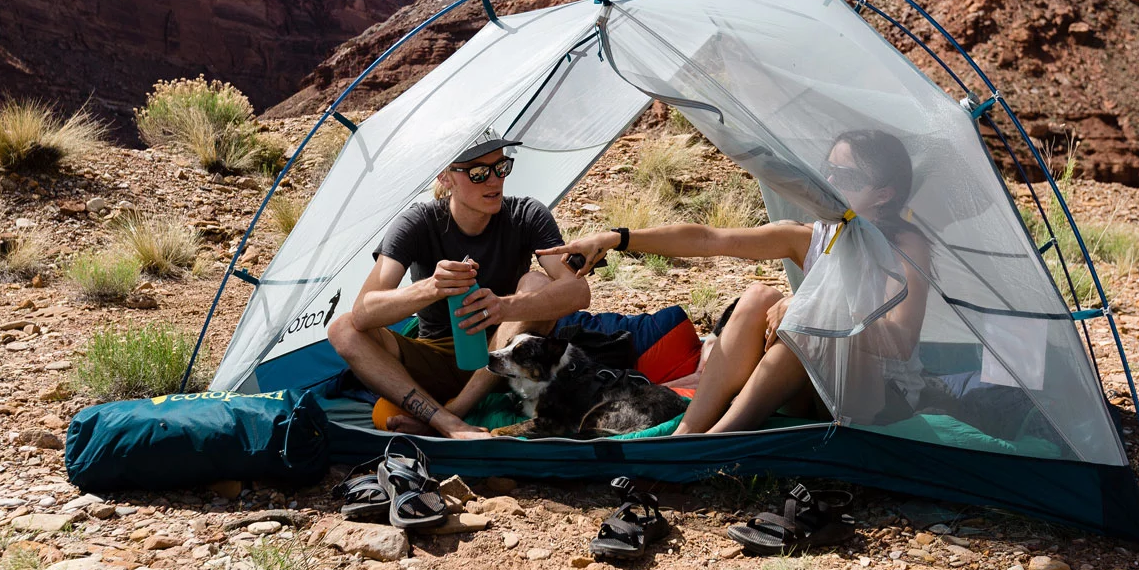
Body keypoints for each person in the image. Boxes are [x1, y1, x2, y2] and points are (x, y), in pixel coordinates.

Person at [539, 130, 930, 434]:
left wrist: (817, 312)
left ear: (884, 194)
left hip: (879, 398)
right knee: (762, 294)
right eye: (826, 168)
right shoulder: (819, 235)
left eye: (844, 174)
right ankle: (690, 433)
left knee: (804, 326)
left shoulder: (905, 245)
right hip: (816, 388)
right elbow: (710, 239)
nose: (827, 179)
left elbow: (900, 342)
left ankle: (719, 440)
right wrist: (618, 238)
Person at [327, 129, 591, 439]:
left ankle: (455, 413)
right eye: (478, 173)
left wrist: (504, 307)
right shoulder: (416, 224)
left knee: (535, 281)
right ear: (445, 177)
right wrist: (431, 287)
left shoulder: (527, 215)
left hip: (505, 353)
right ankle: (445, 422)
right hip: (436, 355)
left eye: (501, 167)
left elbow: (578, 292)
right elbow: (363, 312)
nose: (494, 180)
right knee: (343, 330)